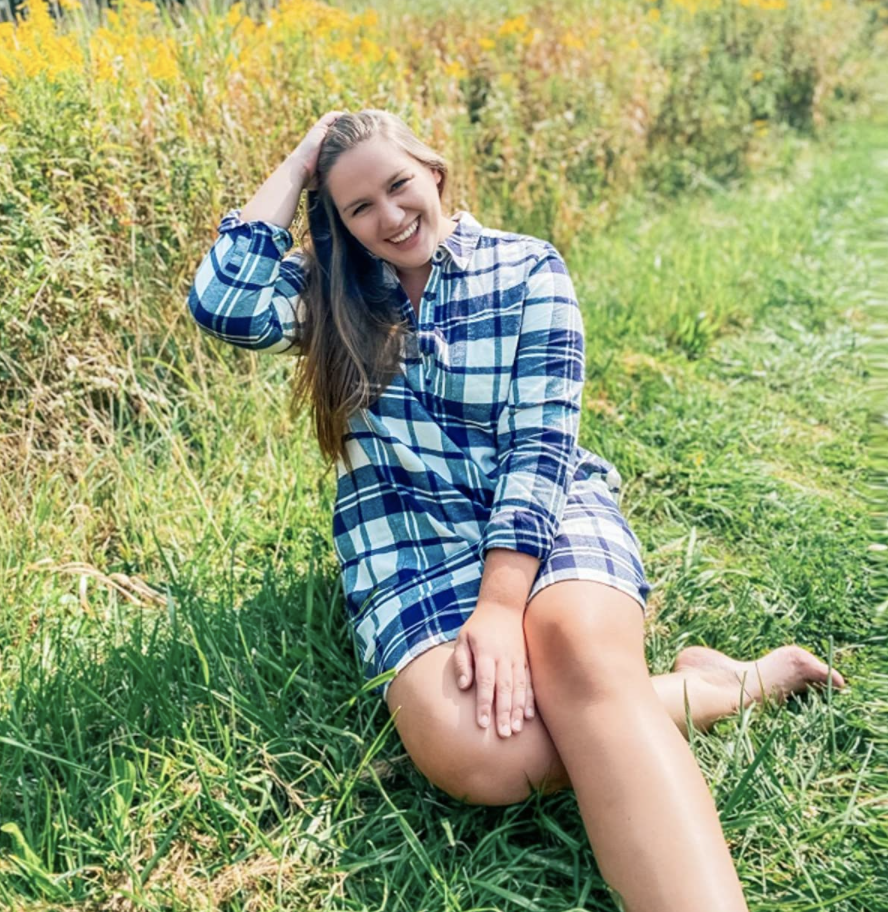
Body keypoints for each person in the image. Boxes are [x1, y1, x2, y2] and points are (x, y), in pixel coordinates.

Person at [187, 108, 846, 911]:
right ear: (340, 221)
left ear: (433, 171)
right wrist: (300, 162)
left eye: (399, 185)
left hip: (542, 510)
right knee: (483, 757)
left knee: (575, 648)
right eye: (359, 207)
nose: (389, 217)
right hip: (410, 545)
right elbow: (220, 300)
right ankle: (724, 686)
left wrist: (502, 606)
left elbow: (540, 454)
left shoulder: (528, 268)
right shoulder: (328, 297)